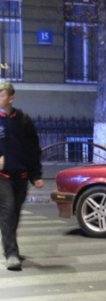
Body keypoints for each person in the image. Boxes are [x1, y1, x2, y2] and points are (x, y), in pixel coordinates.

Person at [0, 80, 44, 271]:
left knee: (15, 213)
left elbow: (33, 150)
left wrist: (36, 175)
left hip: (22, 176)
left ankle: (12, 249)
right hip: (2, 177)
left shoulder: (23, 120)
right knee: (8, 210)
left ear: (11, 98)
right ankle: (11, 253)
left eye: (1, 95)